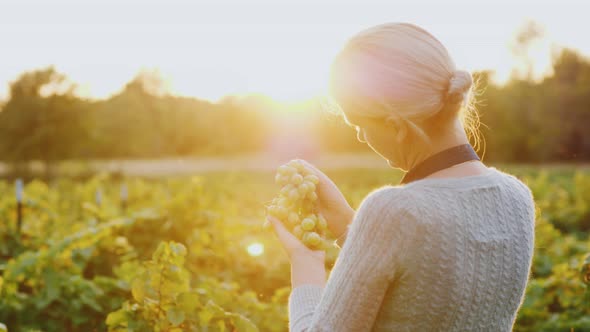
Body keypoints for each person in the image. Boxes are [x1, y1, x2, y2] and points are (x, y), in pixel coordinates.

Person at [266, 22, 536, 331]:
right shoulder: (516, 198)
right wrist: (346, 221)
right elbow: (423, 275)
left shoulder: (394, 211)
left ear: (396, 126)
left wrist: (306, 262)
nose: (361, 138)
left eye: (358, 125)